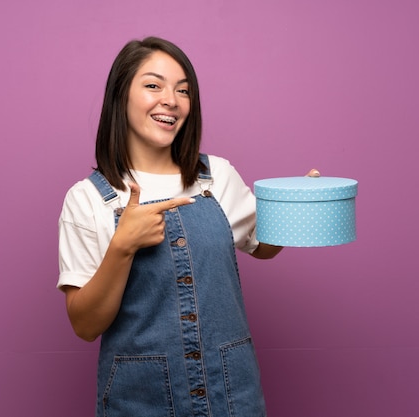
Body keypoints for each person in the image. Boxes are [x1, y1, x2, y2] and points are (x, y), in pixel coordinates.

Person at [57, 36, 282, 417]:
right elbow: (85, 324)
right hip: (140, 400)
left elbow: (263, 245)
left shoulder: (217, 177)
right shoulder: (87, 199)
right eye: (152, 85)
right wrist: (122, 247)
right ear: (120, 96)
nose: (171, 100)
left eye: (183, 90)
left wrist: (295, 205)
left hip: (232, 394)